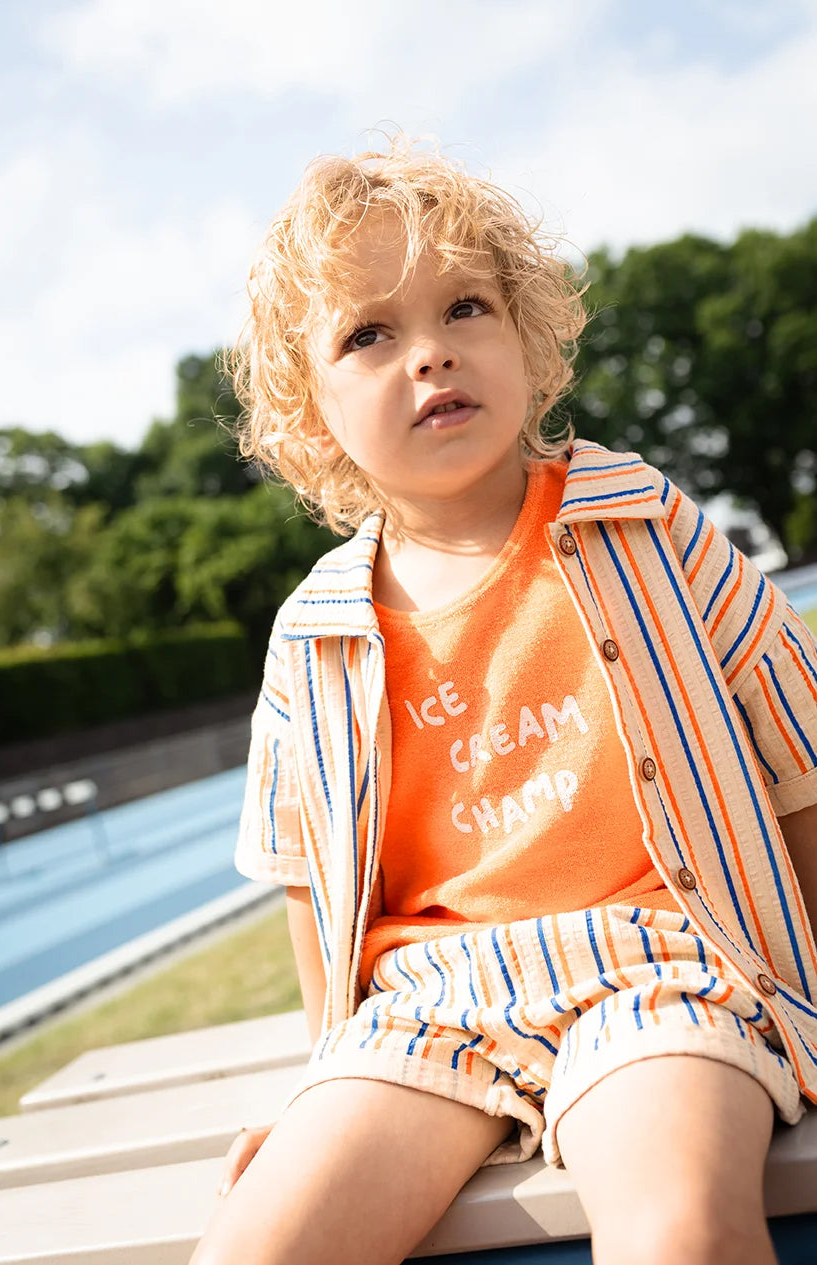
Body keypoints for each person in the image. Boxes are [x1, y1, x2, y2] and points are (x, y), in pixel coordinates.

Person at [189, 137, 817, 1265]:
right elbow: (310, 881)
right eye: (368, 334)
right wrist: (325, 1076)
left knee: (679, 1230)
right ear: (310, 414)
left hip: (657, 967)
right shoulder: (317, 632)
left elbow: (797, 757)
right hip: (426, 1002)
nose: (430, 352)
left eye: (464, 307)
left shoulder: (645, 526)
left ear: (528, 338)